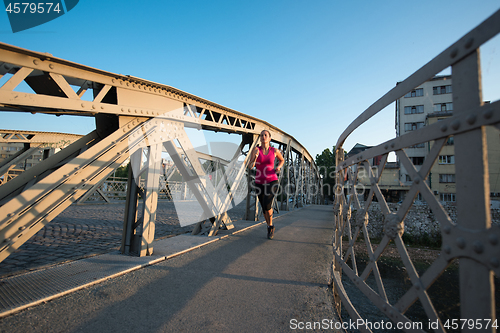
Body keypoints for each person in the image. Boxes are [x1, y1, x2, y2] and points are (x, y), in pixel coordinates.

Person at [249, 130, 285, 239]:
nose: (263, 137)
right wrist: (255, 158)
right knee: (264, 207)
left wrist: (278, 167)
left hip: (272, 180)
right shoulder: (256, 150)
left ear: (269, 138)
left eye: (266, 135)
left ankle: (270, 226)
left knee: (267, 203)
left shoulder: (274, 151)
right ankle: (270, 226)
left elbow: (282, 160)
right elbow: (250, 167)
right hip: (259, 182)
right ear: (260, 138)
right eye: (261, 135)